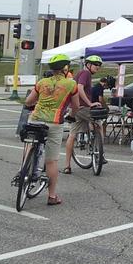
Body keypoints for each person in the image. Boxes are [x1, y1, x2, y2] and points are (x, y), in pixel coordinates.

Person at [21, 53, 80, 206]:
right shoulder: (70, 84)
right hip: (54, 123)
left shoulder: (42, 82)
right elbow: (76, 106)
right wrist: (72, 116)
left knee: (29, 146)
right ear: (65, 68)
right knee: (51, 161)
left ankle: (24, 169)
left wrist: (32, 105)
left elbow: (28, 101)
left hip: (35, 119)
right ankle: (52, 196)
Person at [63, 55, 106, 173]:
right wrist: (89, 103)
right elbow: (79, 88)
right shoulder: (85, 73)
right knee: (99, 123)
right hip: (83, 108)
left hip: (75, 108)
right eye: (95, 64)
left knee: (72, 135)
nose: (98, 67)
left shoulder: (81, 74)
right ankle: (100, 153)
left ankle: (67, 166)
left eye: (99, 65)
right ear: (88, 64)